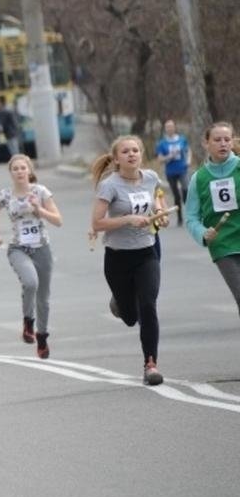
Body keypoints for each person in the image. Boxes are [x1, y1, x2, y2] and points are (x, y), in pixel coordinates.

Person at [90, 135, 169, 386]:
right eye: (125, 151)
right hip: (118, 258)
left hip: (146, 253)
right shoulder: (109, 185)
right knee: (130, 317)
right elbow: (97, 223)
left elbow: (158, 200)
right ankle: (119, 302)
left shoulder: (151, 178)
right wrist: (127, 219)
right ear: (116, 158)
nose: (132, 154)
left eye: (135, 150)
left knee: (148, 306)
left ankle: (150, 364)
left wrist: (159, 215)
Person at [0, 154, 63, 359]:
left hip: (42, 248)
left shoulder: (41, 192)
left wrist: (40, 211)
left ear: (29, 171)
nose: (20, 171)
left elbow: (58, 220)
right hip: (18, 248)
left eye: (23, 168)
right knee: (30, 282)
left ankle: (42, 337)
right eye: (15, 169)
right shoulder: (5, 195)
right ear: (11, 173)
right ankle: (28, 321)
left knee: (44, 299)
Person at [185, 122, 240, 316]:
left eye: (227, 139)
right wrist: (202, 233)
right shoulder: (199, 178)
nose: (223, 144)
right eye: (217, 140)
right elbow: (190, 216)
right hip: (223, 244)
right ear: (206, 143)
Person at [155, 119, 190, 226]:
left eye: (171, 126)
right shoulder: (162, 143)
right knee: (176, 195)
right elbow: (160, 159)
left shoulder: (182, 139)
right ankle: (179, 218)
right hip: (170, 171)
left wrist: (188, 160)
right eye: (167, 127)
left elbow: (188, 150)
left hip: (182, 169)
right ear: (165, 129)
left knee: (185, 191)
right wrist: (169, 156)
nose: (169, 128)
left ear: (175, 127)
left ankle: (190, 216)